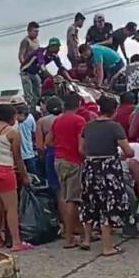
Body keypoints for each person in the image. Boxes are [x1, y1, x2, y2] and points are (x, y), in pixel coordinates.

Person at [79, 96, 135, 256]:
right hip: (108, 168)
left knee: (89, 201)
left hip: (90, 166)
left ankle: (87, 239)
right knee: (108, 204)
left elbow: (81, 149)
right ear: (114, 110)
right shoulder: (114, 127)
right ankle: (108, 246)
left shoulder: (88, 126)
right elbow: (128, 151)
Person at [0, 104, 33, 251]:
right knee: (11, 208)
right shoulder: (12, 133)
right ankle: (16, 242)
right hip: (3, 170)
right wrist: (25, 176)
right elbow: (18, 158)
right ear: (11, 117)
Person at [52, 93, 87, 249]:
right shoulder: (79, 121)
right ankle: (71, 236)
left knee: (65, 196)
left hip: (58, 160)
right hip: (73, 160)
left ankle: (70, 233)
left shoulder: (57, 120)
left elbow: (49, 141)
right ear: (78, 104)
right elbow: (81, 147)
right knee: (73, 200)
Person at [19, 37, 72, 109]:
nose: (58, 49)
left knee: (38, 93)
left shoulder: (54, 55)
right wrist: (53, 78)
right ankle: (30, 108)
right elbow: (43, 68)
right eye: (56, 47)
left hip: (34, 73)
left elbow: (61, 67)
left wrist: (69, 78)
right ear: (51, 47)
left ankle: (36, 107)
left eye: (59, 47)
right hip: (26, 72)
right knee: (29, 93)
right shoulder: (41, 52)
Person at [36, 97, 63, 196]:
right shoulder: (66, 118)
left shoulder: (42, 121)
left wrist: (42, 157)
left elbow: (40, 145)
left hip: (51, 153)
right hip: (67, 154)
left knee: (55, 187)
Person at [14, 103, 39, 179]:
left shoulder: (29, 118)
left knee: (32, 176)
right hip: (21, 154)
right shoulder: (14, 123)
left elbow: (34, 133)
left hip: (27, 153)